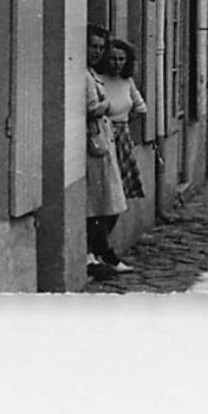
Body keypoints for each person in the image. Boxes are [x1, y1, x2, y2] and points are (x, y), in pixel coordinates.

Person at [85, 26, 128, 277]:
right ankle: (95, 254)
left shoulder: (91, 73)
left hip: (102, 142)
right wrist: (108, 103)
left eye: (101, 48)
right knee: (101, 203)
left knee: (108, 203)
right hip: (94, 145)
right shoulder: (84, 75)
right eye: (93, 46)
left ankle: (100, 252)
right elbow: (92, 108)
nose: (97, 52)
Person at [103, 38, 148, 209]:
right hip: (104, 138)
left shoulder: (126, 81)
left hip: (122, 139)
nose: (117, 63)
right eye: (113, 58)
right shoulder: (99, 79)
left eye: (122, 59)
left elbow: (141, 107)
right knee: (108, 194)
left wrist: (124, 122)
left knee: (121, 196)